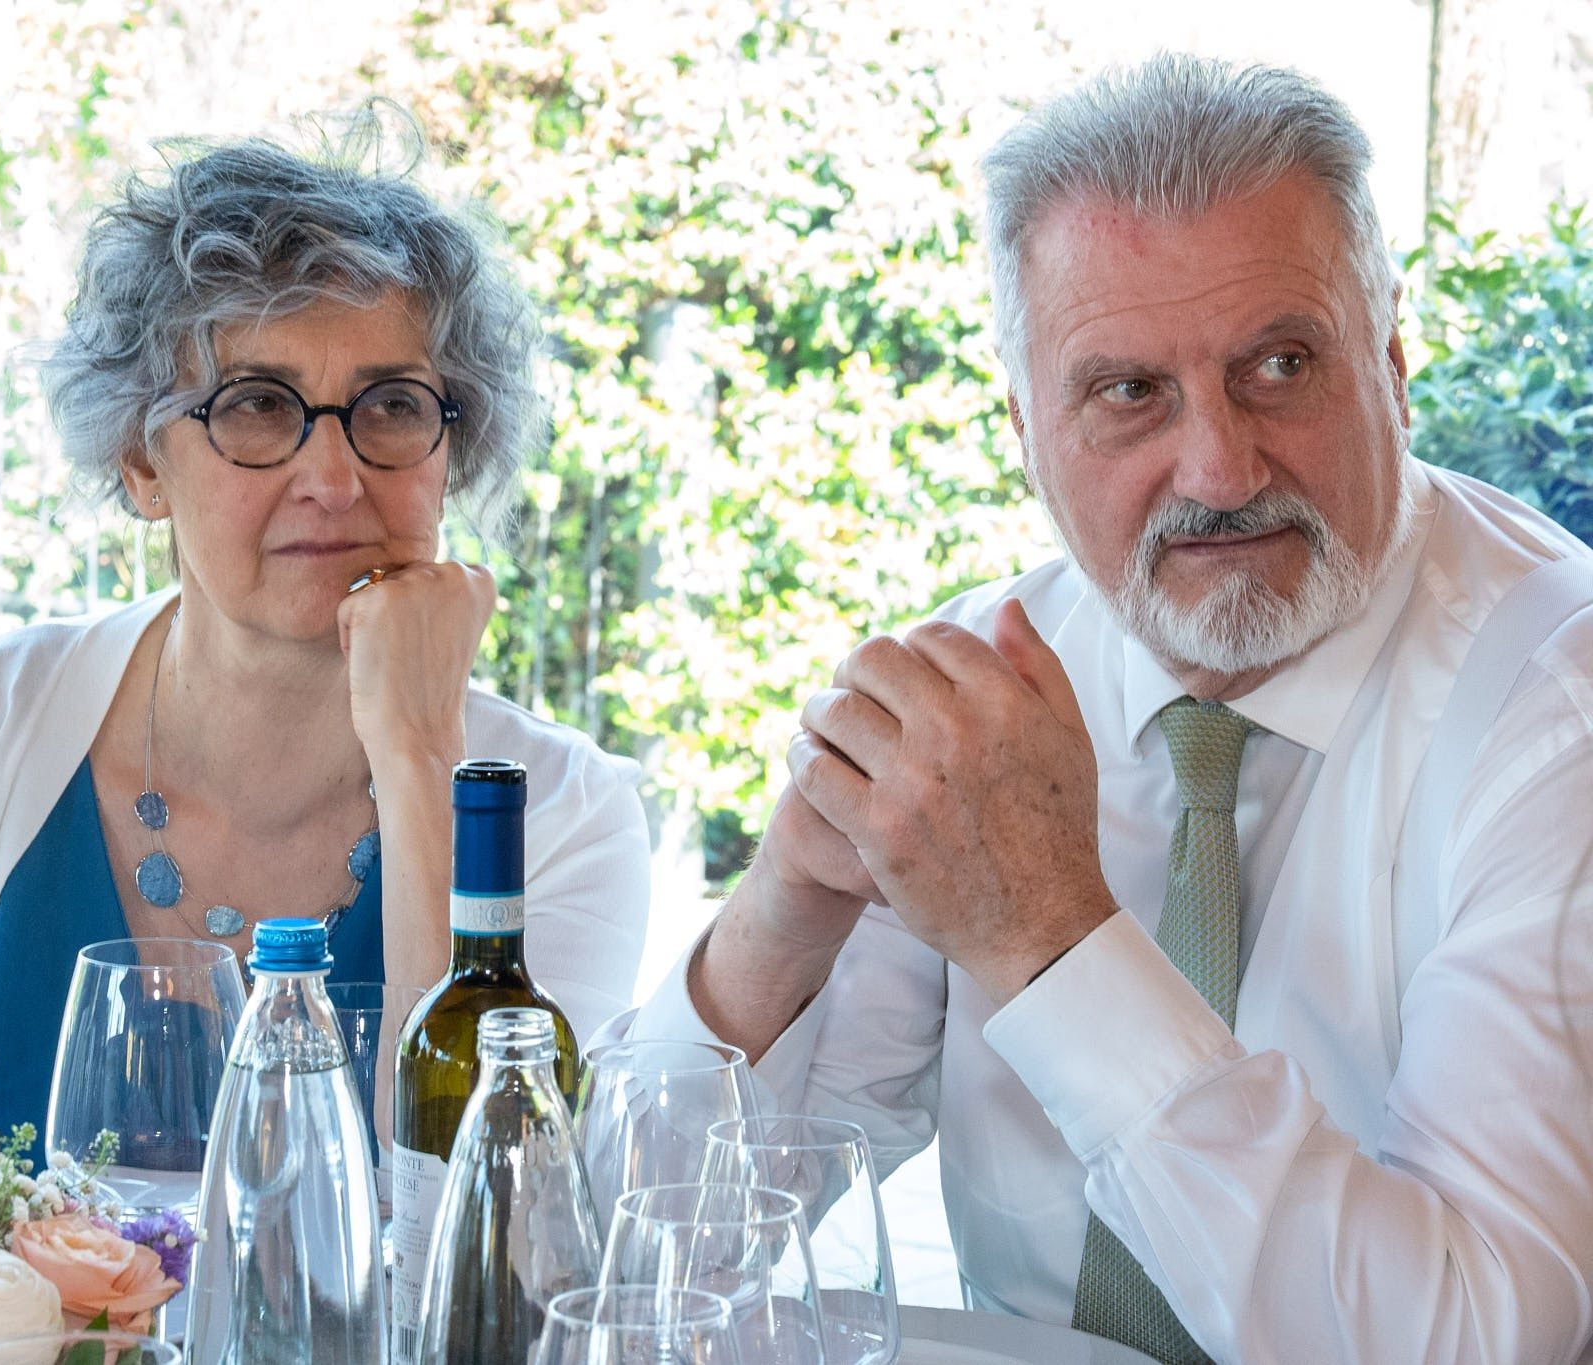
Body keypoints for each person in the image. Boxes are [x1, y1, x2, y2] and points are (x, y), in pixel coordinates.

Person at [613, 54, 1593, 1365]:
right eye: (1130, 392)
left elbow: (1479, 1340)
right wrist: (784, 906)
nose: (1218, 467)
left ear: (1396, 362)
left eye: (1282, 364)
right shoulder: (982, 686)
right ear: (1025, 427)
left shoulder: (1556, 703)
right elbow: (629, 1261)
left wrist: (1048, 936)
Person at [0, 121, 651, 1134]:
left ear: (453, 446)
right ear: (142, 465)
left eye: (391, 405)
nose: (331, 478)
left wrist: (418, 761)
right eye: (256, 405)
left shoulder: (562, 818)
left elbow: (504, 1239)